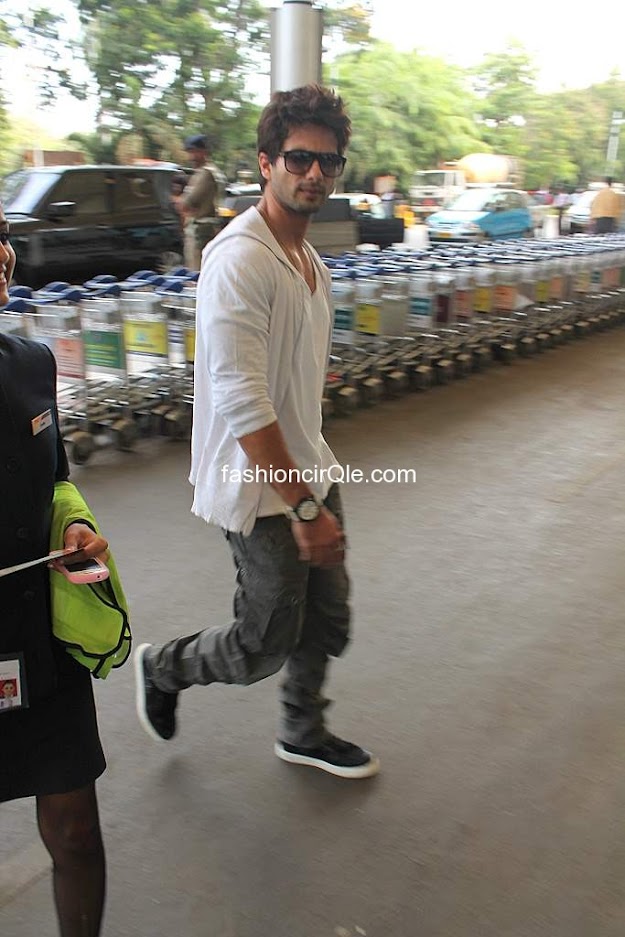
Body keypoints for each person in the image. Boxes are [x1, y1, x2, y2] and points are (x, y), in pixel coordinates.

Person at [135, 84, 379, 780]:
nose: (314, 174)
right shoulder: (240, 258)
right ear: (267, 162)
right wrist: (302, 510)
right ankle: (164, 665)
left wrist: (314, 488)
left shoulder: (309, 262)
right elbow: (241, 401)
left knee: (328, 620)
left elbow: (281, 373)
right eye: (299, 158)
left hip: (309, 469)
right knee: (261, 640)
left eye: (328, 163)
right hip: (259, 483)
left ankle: (302, 729)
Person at [0, 203, 109, 936]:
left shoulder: (32, 365)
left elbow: (58, 479)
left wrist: (75, 526)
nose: (2, 256)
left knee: (75, 830)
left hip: (39, 632)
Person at [179, 133, 224, 270]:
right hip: (206, 229)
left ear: (203, 152)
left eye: (193, 152)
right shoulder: (211, 172)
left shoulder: (205, 174)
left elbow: (187, 203)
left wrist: (183, 203)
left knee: (196, 273)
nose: (190, 157)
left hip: (200, 231)